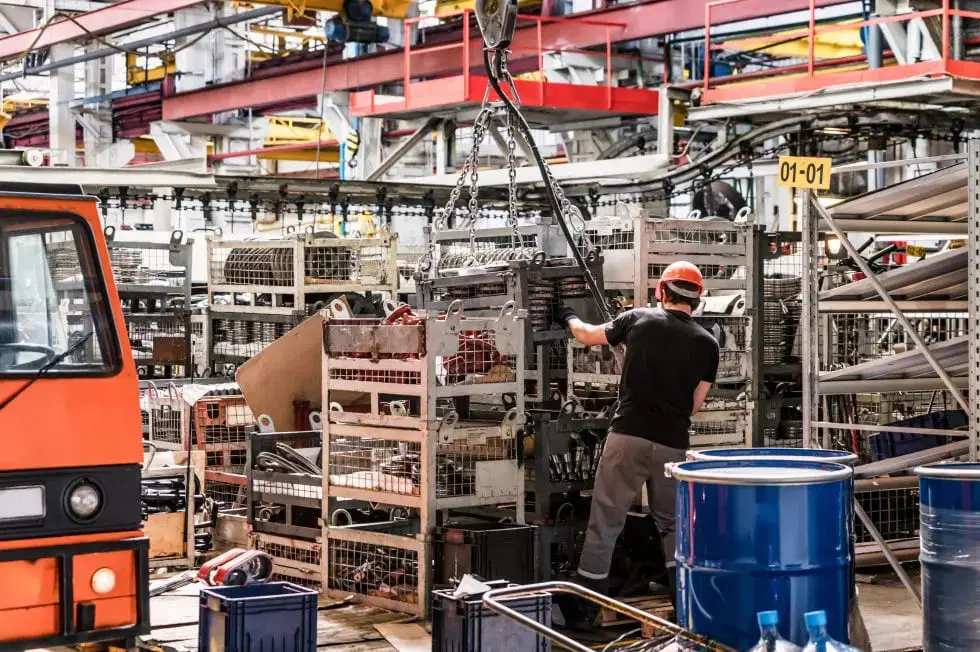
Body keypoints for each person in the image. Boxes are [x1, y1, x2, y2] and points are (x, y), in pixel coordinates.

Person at [558, 261, 719, 614]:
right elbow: (693, 405)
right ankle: (685, 605)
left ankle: (585, 611)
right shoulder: (708, 344)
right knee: (673, 524)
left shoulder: (638, 320)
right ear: (697, 299)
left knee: (606, 521)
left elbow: (585, 335)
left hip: (627, 436)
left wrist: (568, 314)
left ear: (661, 291)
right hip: (672, 445)